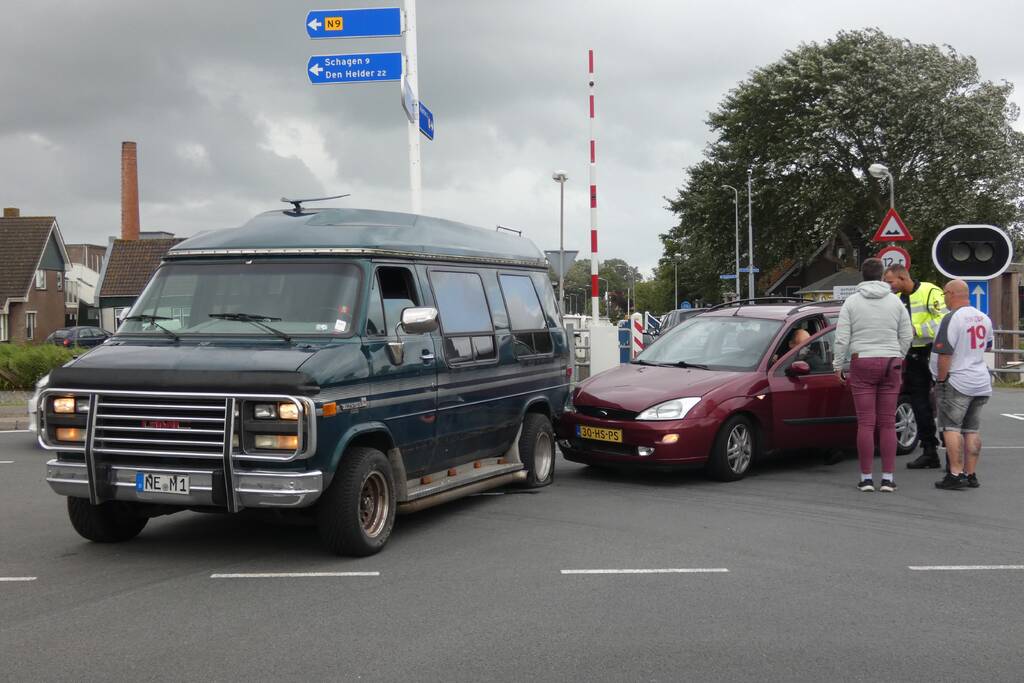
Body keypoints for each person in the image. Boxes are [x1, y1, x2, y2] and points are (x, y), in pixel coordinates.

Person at [834, 258, 913, 492]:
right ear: (882, 276)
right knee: (888, 423)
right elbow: (907, 334)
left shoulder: (851, 302)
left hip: (862, 361)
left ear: (862, 276)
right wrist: (898, 355)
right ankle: (888, 478)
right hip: (891, 361)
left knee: (866, 423)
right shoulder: (895, 302)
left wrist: (838, 365)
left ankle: (866, 478)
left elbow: (841, 338)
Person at [882, 264, 948, 469]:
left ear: (903, 278)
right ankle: (929, 450)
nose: (888, 286)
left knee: (945, 402)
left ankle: (953, 453)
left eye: (891, 282)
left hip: (933, 353)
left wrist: (915, 329)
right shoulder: (895, 298)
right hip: (912, 356)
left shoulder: (930, 292)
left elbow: (943, 321)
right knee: (919, 404)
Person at [930, 280, 993, 490]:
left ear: (950, 294)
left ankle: (955, 474)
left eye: (945, 295)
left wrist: (940, 380)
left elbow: (944, 354)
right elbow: (988, 346)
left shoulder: (951, 319)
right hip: (980, 379)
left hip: (957, 380)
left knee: (951, 428)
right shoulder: (984, 318)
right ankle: (971, 473)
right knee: (972, 430)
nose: (945, 299)